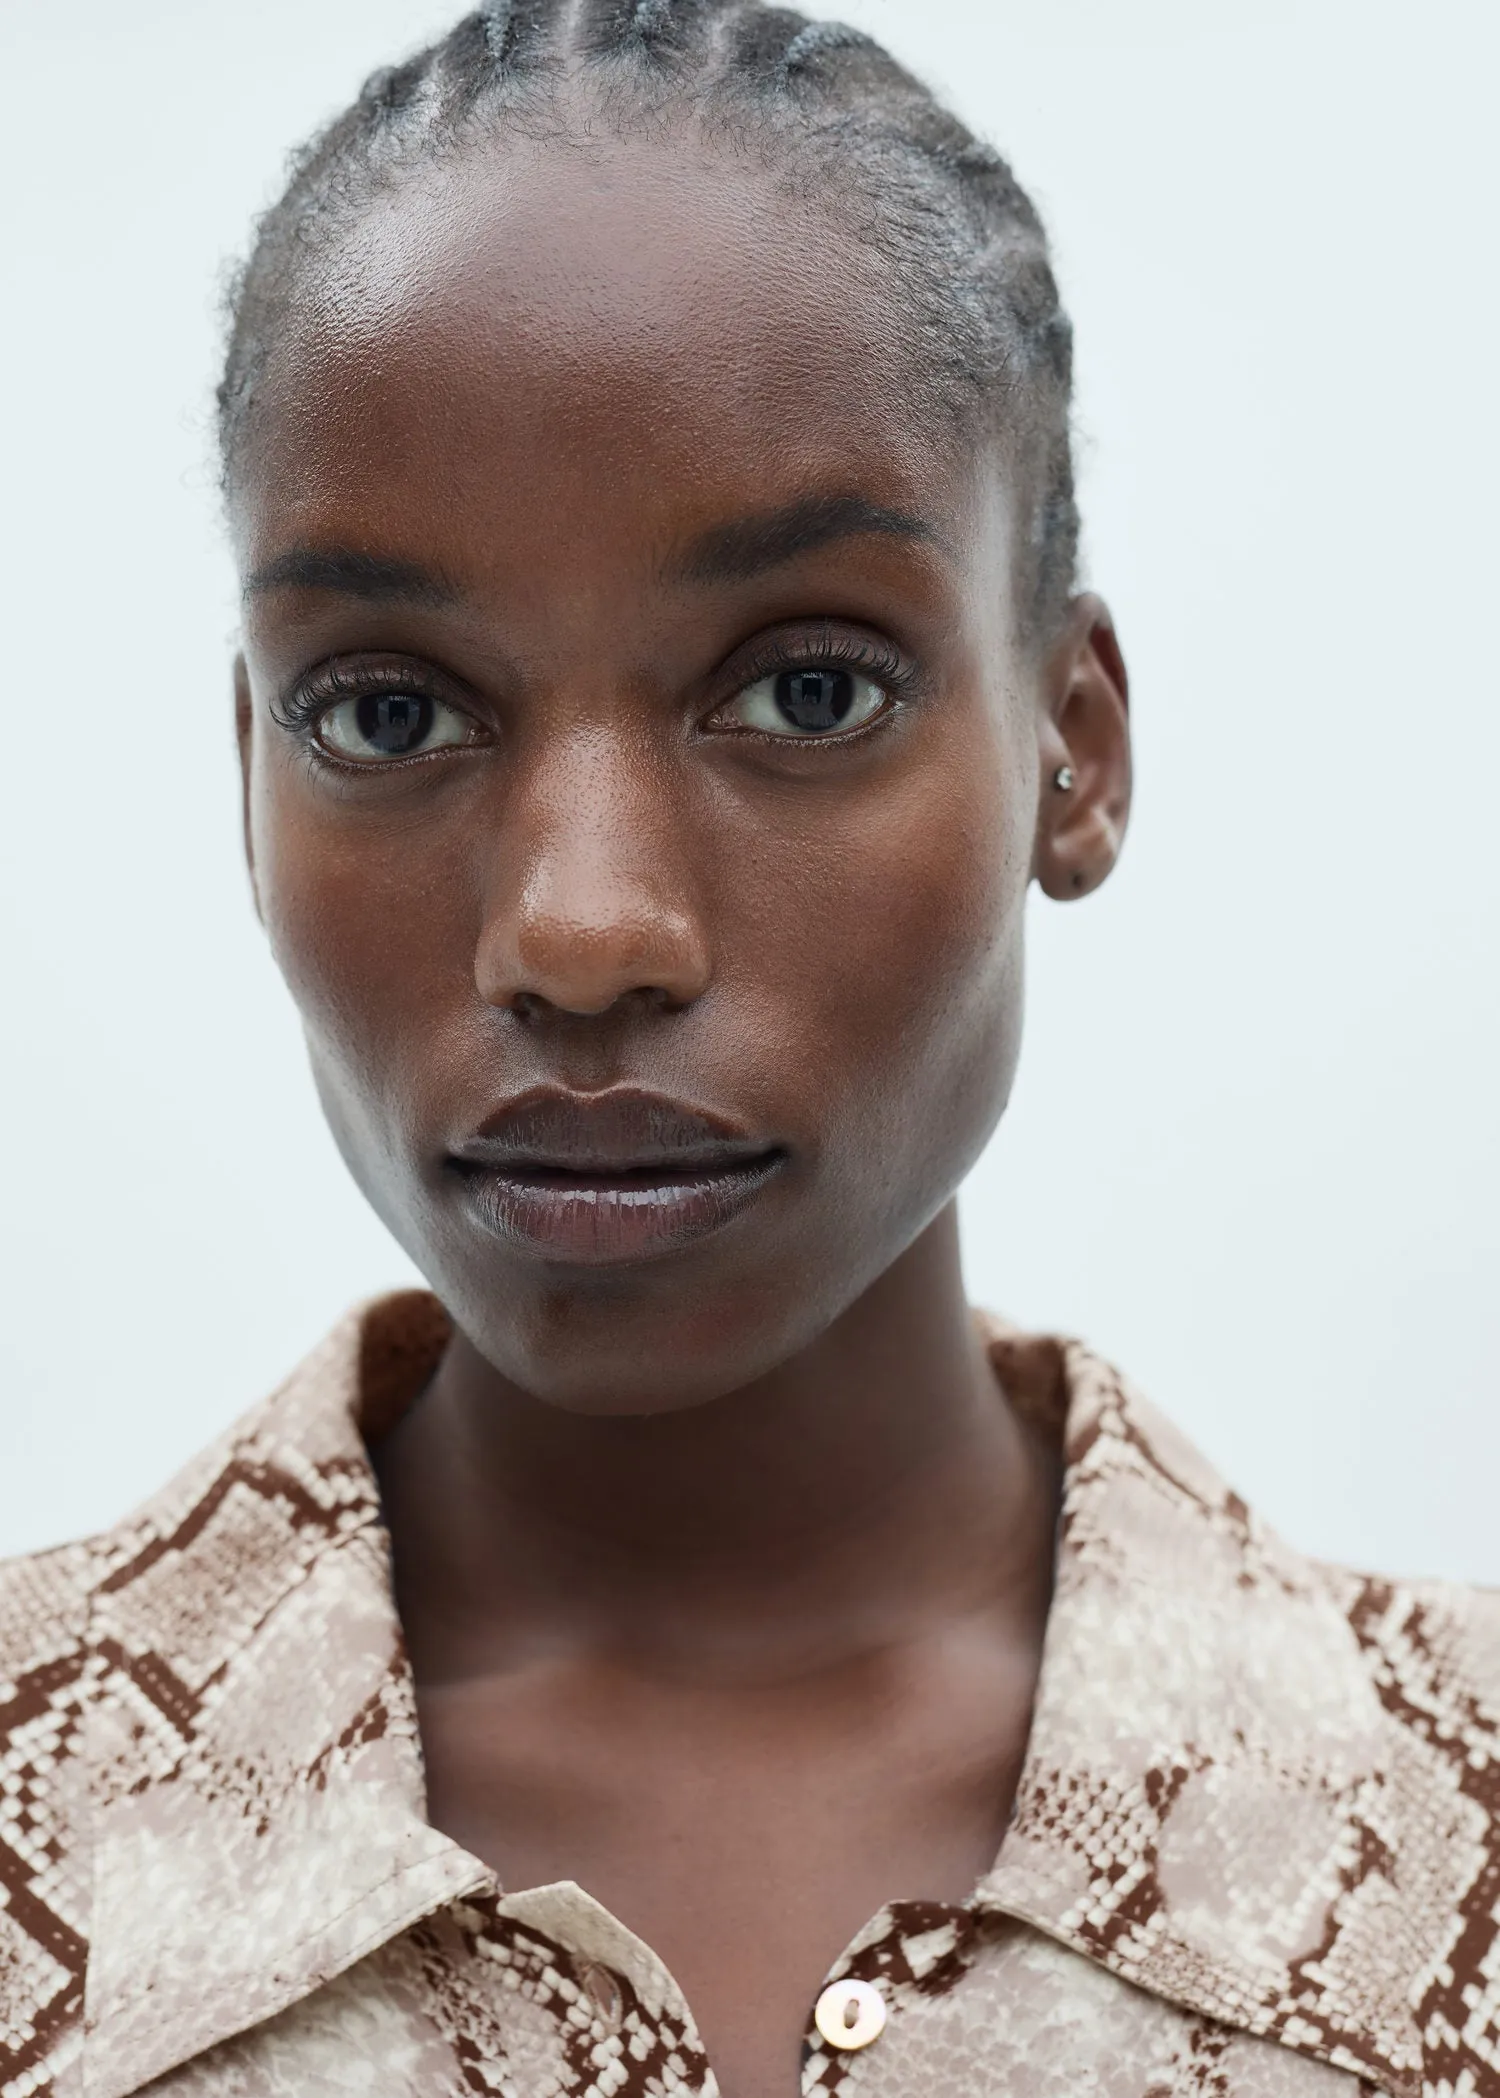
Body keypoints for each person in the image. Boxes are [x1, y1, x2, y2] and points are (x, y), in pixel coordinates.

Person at [1, 4, 1495, 2094]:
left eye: (803, 692)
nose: (585, 930)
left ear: (1075, 746)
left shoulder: (1467, 1854)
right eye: (388, 714)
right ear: (249, 781)